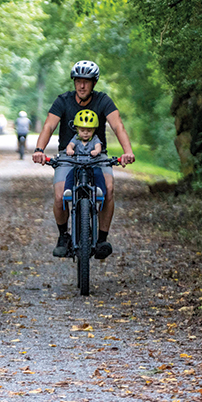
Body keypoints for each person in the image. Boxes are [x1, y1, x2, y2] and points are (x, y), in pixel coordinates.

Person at [32, 60, 135, 260]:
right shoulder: (63, 101)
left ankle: (102, 239)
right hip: (68, 156)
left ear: (93, 83)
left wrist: (127, 151)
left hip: (98, 156)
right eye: (78, 81)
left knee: (109, 189)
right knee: (60, 194)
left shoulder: (103, 100)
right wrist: (39, 149)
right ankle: (63, 236)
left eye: (86, 82)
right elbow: (48, 126)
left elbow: (118, 126)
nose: (81, 86)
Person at [63, 110, 107, 195]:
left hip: (92, 166)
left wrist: (96, 151)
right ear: (77, 129)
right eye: (82, 130)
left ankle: (100, 192)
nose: (85, 133)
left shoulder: (95, 138)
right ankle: (68, 191)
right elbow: (70, 145)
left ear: (94, 130)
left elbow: (98, 146)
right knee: (70, 175)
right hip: (78, 166)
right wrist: (69, 150)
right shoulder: (76, 138)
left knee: (98, 173)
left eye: (89, 131)